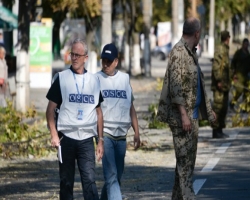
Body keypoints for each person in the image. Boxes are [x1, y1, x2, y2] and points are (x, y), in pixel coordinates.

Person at [157, 17, 216, 200]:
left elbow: (197, 85)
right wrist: (183, 115)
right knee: (185, 168)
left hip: (193, 117)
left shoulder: (191, 52)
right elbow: (175, 87)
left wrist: (208, 109)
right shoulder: (178, 52)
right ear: (197, 33)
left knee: (185, 167)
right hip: (182, 119)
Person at [46, 38, 104, 200]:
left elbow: (98, 112)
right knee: (66, 183)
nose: (74, 58)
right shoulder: (62, 78)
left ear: (86, 58)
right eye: (72, 54)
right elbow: (50, 110)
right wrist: (53, 134)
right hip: (66, 138)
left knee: (90, 182)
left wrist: (100, 140)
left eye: (78, 55)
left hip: (86, 138)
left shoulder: (94, 80)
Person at [96, 43, 140, 200]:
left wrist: (137, 132)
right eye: (103, 61)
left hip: (121, 136)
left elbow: (131, 107)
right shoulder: (96, 79)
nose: (106, 64)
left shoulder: (124, 79)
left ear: (116, 61)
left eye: (109, 61)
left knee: (115, 179)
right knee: (112, 176)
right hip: (105, 134)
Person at [211, 30, 232, 138]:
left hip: (225, 84)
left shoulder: (225, 49)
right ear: (227, 38)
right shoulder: (220, 49)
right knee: (218, 107)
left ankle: (220, 129)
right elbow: (216, 66)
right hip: (220, 84)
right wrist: (218, 80)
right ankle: (215, 131)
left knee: (223, 107)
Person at [230, 38, 250, 108]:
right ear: (243, 44)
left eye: (247, 44)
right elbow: (233, 63)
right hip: (239, 74)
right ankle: (232, 102)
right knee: (239, 90)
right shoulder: (238, 53)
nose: (246, 46)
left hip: (246, 75)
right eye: (245, 44)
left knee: (247, 91)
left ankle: (245, 107)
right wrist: (233, 74)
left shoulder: (248, 53)